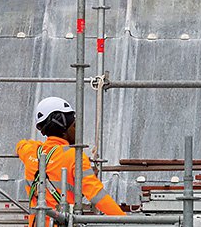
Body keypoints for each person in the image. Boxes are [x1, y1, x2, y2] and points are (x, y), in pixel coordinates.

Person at [17, 96, 124, 225]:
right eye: (74, 125)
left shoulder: (32, 152)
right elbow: (97, 195)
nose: (77, 130)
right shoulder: (75, 157)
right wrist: (124, 220)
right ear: (63, 128)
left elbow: (21, 145)